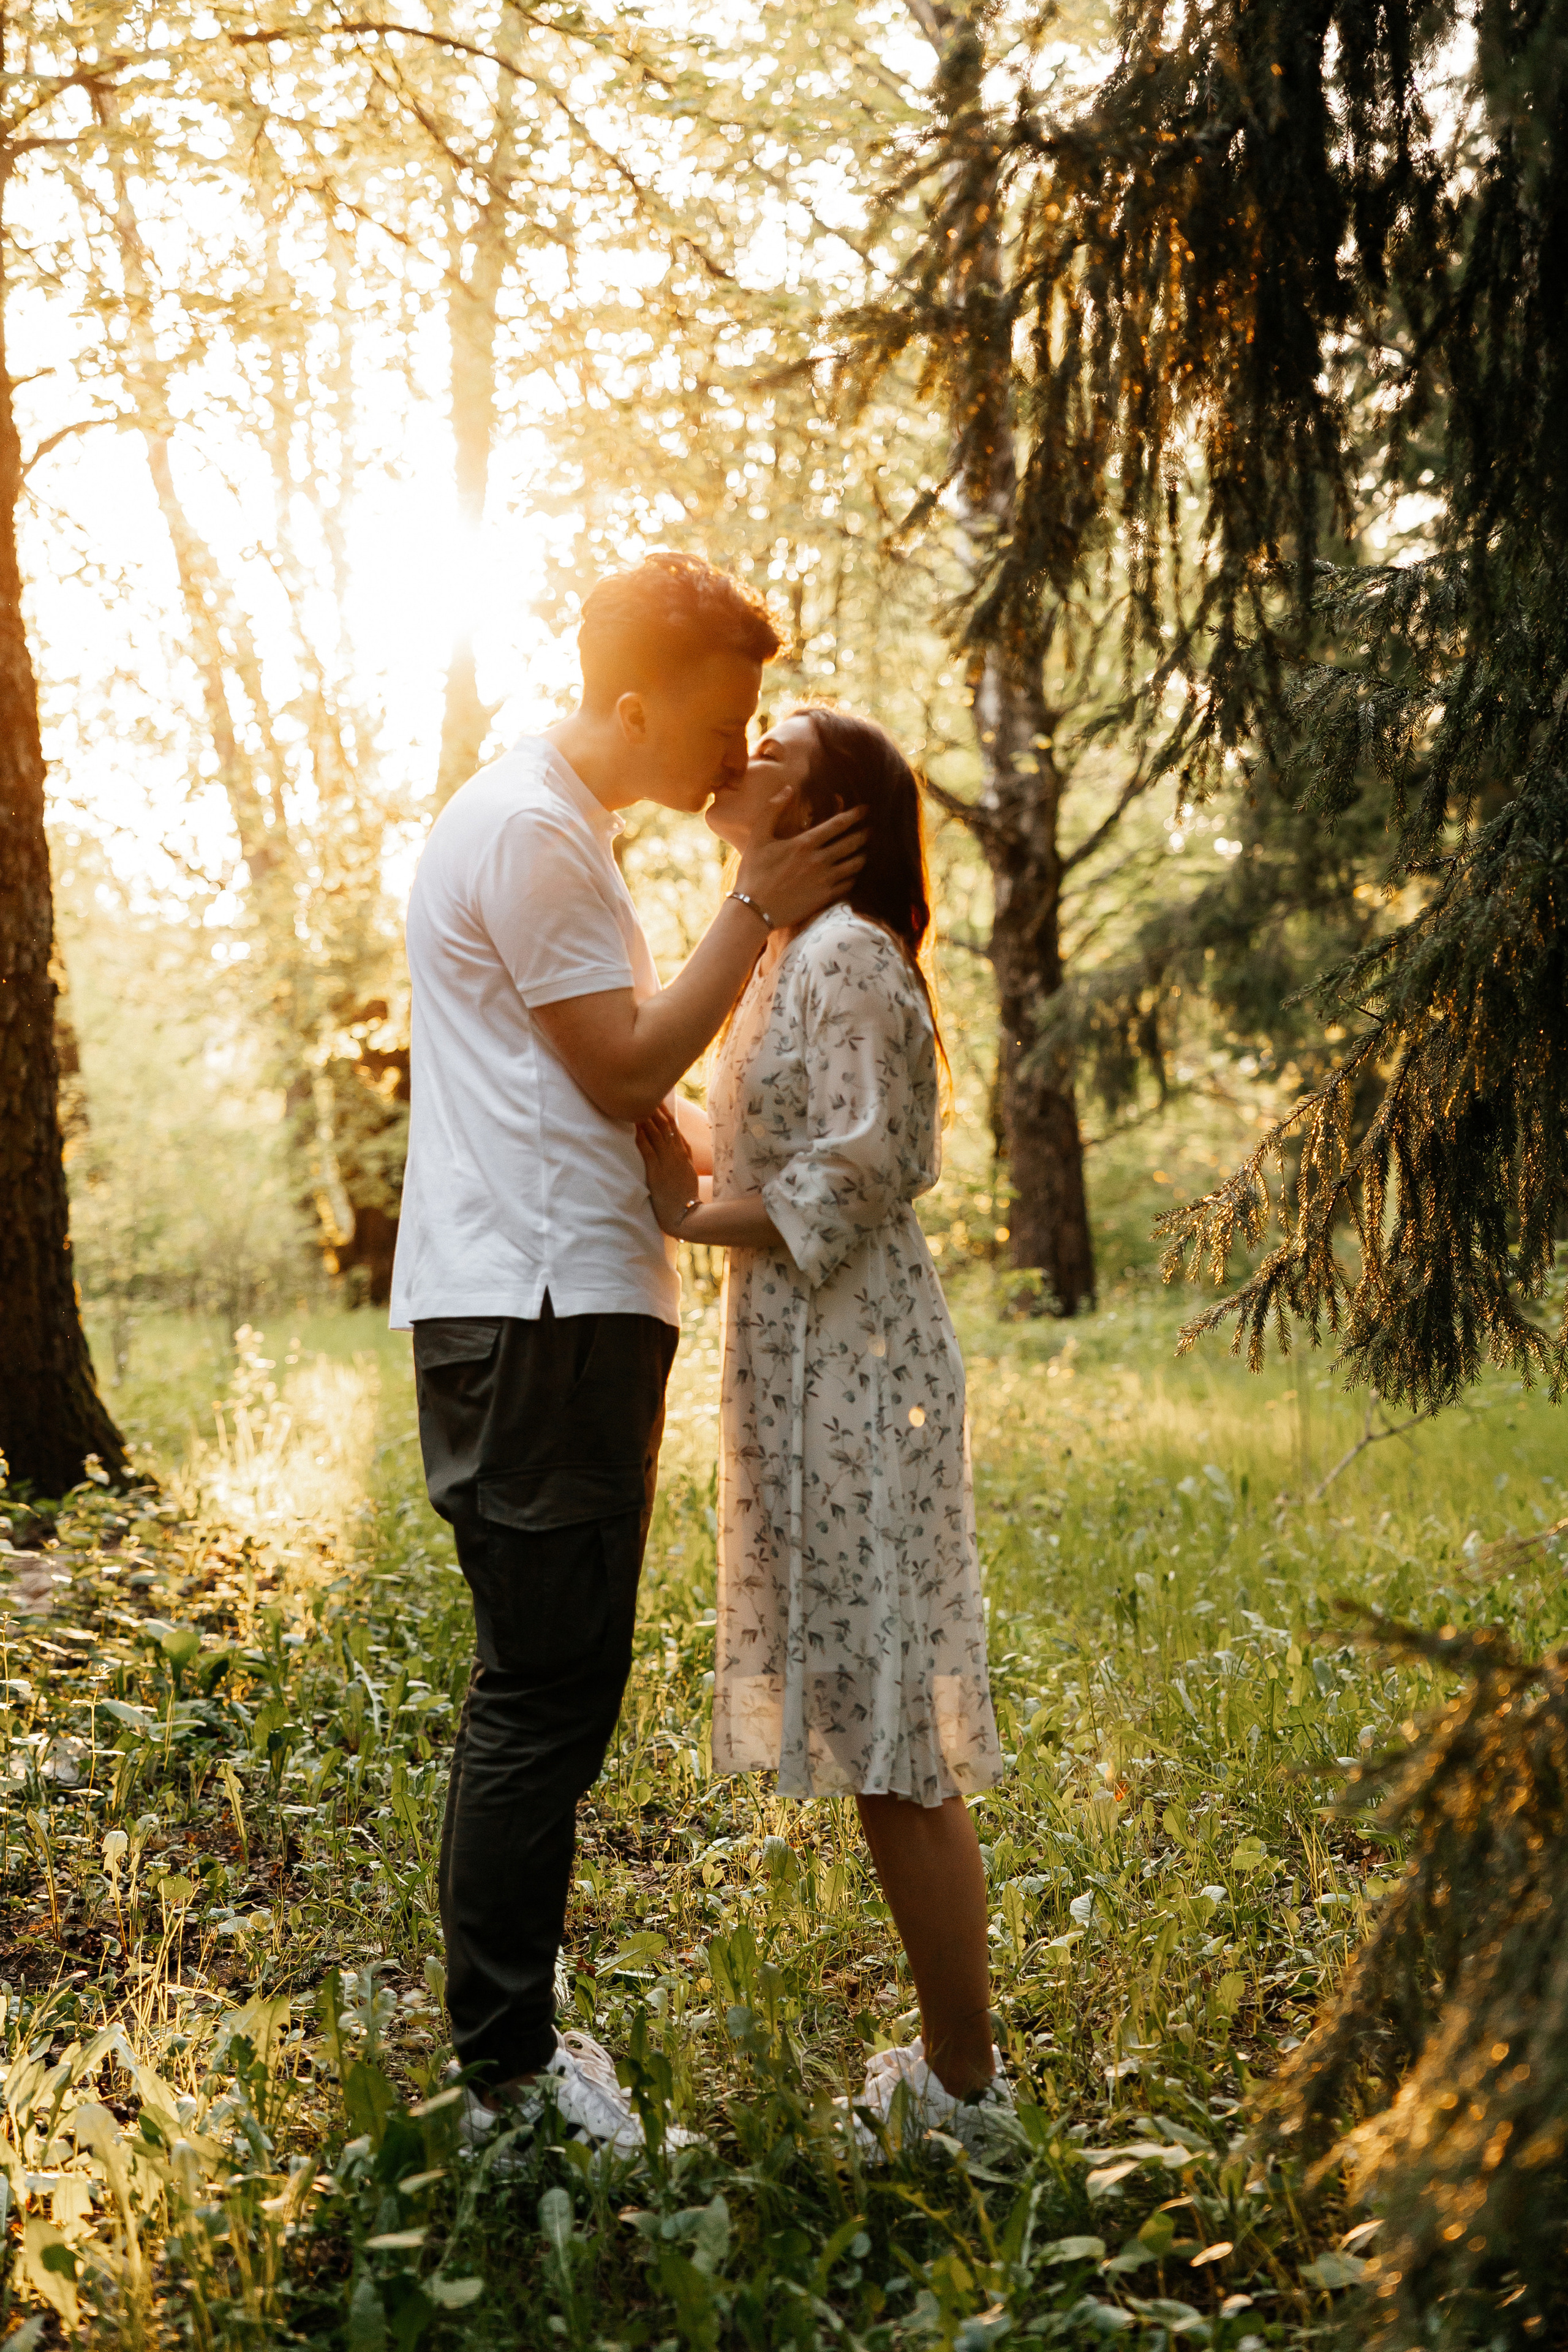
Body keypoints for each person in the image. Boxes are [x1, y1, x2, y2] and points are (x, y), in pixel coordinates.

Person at [388, 556, 864, 2154]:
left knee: (546, 1687)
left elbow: (591, 1076)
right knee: (540, 1696)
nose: (733, 756)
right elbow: (617, 1066)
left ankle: (507, 2048)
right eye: (719, 721)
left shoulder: (535, 822)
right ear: (639, 703)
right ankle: (509, 2085)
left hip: (535, 1305)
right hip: (538, 1313)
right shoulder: (533, 832)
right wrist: (758, 905)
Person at [634, 704, 1011, 2152]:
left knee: (895, 1732)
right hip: (801, 1355)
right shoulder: (785, 955)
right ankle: (955, 2073)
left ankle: (967, 2097)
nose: (737, 748)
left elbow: (864, 1172)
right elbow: (772, 1144)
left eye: (777, 743)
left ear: (831, 810)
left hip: (856, 1362)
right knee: (870, 1725)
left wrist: (688, 1212)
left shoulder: (849, 954)